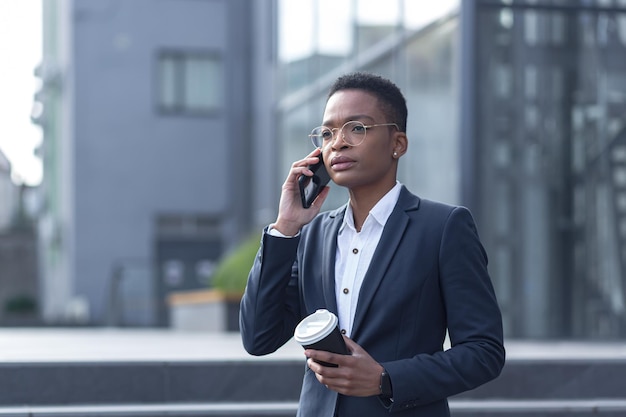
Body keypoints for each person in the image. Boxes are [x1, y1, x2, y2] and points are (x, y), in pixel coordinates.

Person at [239, 72, 505, 417]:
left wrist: (386, 379)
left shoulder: (443, 228)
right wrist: (285, 228)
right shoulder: (313, 236)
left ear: (398, 144)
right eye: (327, 133)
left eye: (357, 128)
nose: (338, 143)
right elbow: (258, 337)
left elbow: (484, 352)